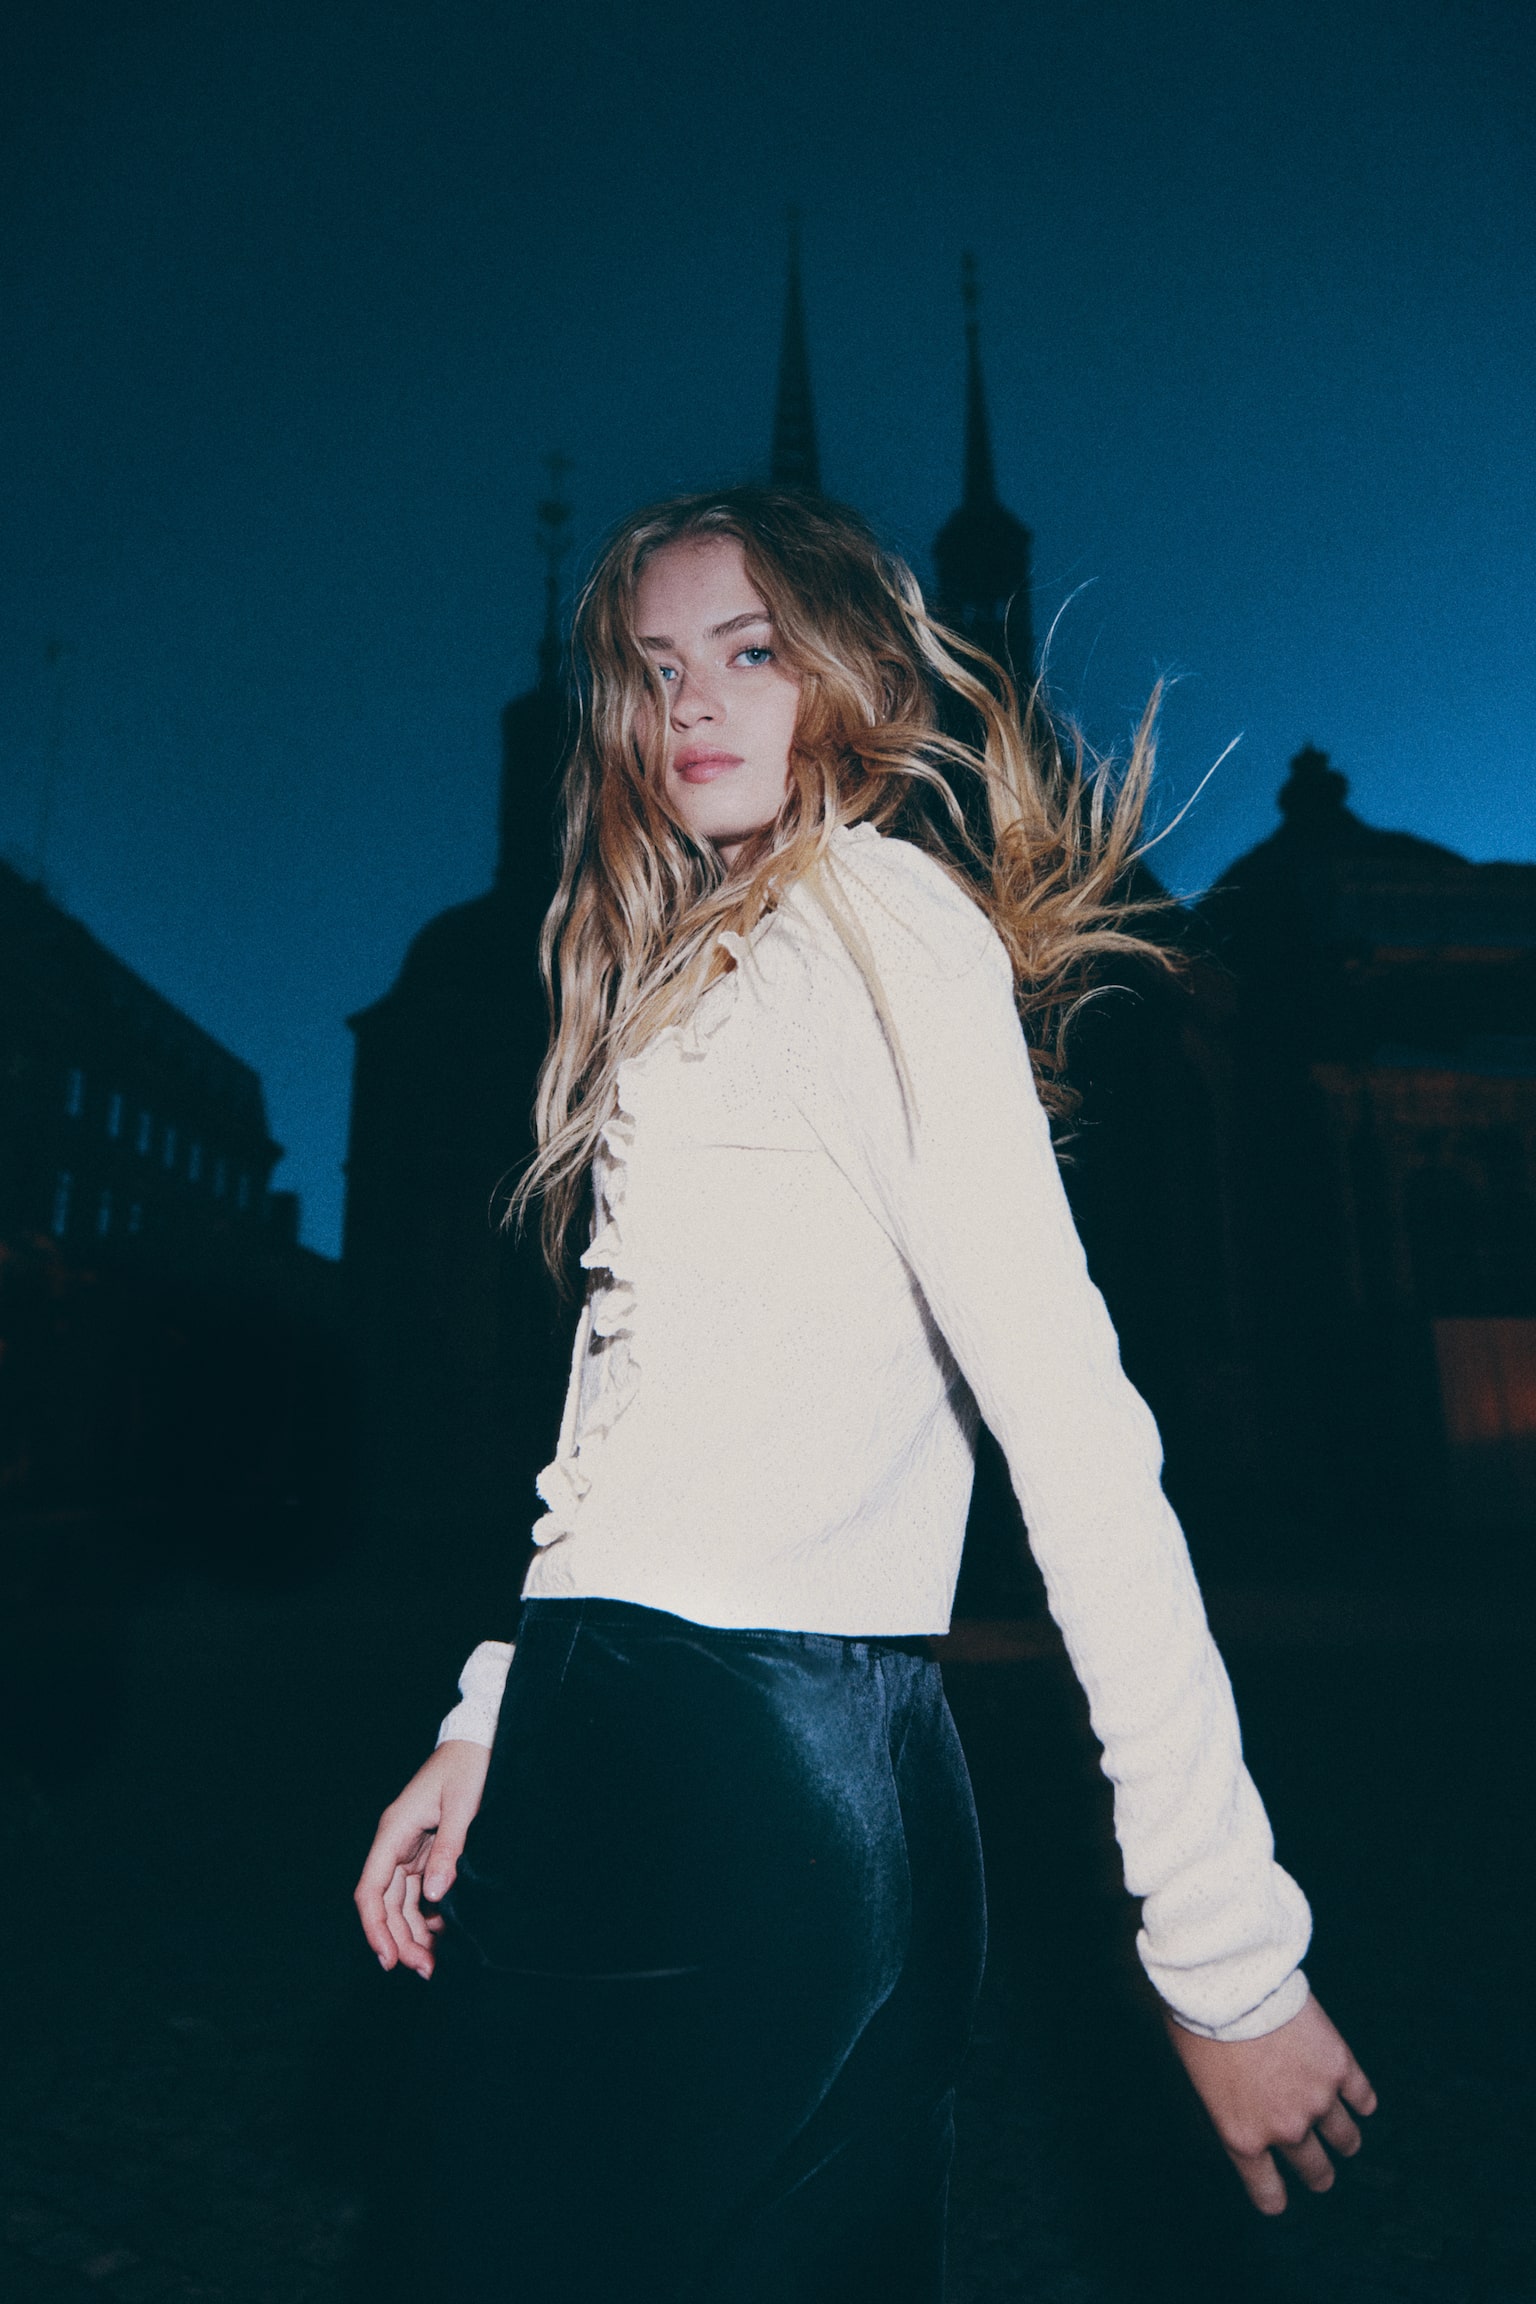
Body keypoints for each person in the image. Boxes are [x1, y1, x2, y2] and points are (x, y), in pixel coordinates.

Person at [354, 484, 1376, 2301]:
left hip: (778, 1759)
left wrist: (1224, 1952)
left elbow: (1074, 1425)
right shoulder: (694, 975)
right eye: (655, 667)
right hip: (598, 1727)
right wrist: (490, 1715)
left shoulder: (882, 923)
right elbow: (626, 1420)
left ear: (850, 671)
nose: (693, 701)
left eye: (750, 652)